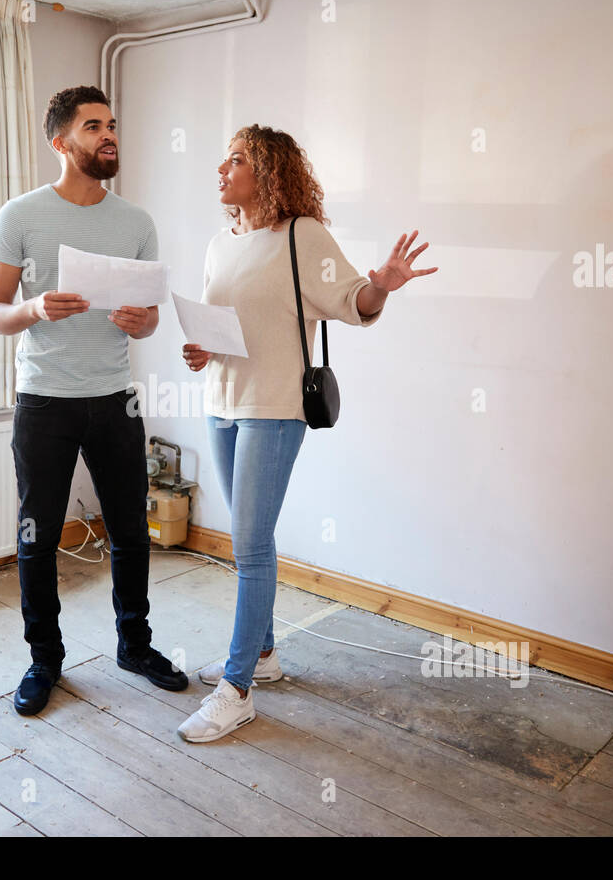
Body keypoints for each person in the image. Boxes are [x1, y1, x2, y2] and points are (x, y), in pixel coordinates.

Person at [176, 124, 439, 742]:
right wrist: (199, 351)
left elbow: (355, 302)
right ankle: (264, 656)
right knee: (247, 540)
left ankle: (237, 688)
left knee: (250, 544)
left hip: (274, 408)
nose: (222, 168)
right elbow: (229, 328)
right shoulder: (219, 244)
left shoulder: (302, 236)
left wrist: (382, 284)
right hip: (221, 402)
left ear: (267, 173)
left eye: (236, 160)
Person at [0, 85, 188, 716]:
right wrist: (35, 308)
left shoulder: (137, 223)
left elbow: (152, 318)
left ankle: (135, 645)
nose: (109, 136)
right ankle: (44, 660)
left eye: (112, 125)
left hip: (115, 399)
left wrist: (141, 323)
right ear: (60, 141)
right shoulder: (19, 215)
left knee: (131, 531)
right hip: (44, 401)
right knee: (36, 538)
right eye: (94, 126)